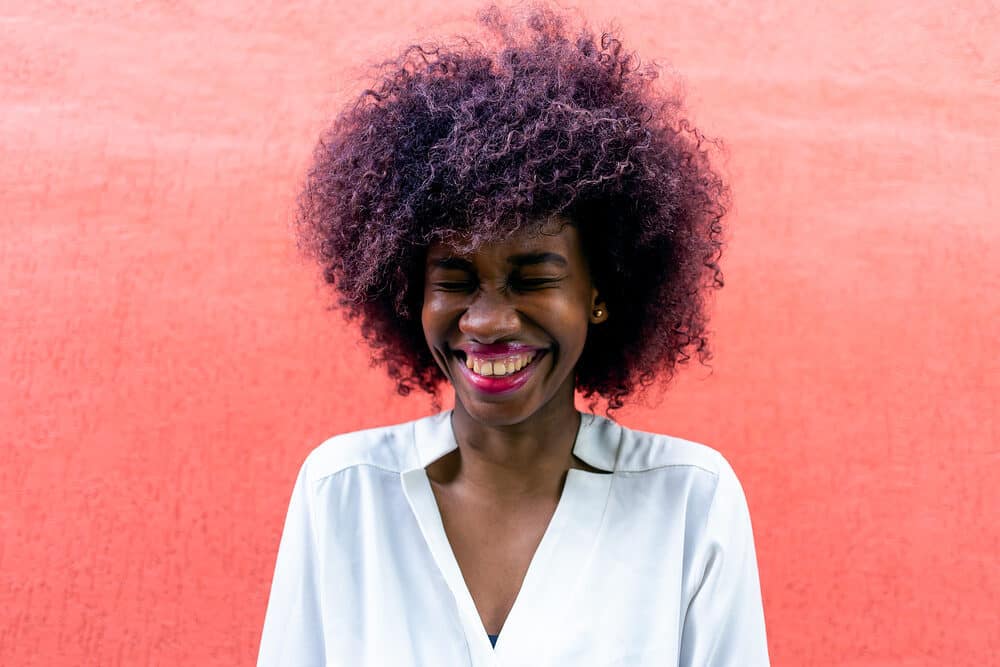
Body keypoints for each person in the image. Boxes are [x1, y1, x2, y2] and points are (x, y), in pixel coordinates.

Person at [258, 3, 769, 665]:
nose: (487, 320)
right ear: (411, 292)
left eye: (532, 277)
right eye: (457, 277)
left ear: (600, 293)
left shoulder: (691, 505)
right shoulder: (342, 496)